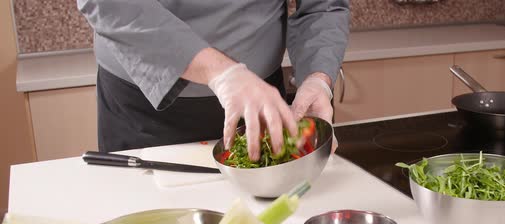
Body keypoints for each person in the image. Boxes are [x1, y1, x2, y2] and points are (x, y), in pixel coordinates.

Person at [77, 0, 350, 161]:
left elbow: (323, 6)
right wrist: (221, 72)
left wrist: (317, 77)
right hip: (142, 112)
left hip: (260, 105)